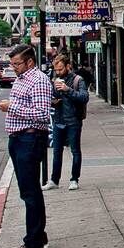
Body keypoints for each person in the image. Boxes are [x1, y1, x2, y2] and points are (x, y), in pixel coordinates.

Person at [0, 44, 53, 248]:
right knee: (27, 191)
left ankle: (34, 245)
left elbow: (41, 114)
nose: (13, 68)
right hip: (18, 138)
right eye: (12, 64)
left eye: (17, 64)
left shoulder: (38, 80)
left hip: (30, 139)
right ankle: (36, 237)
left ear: (30, 62)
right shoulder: (21, 80)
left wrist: (11, 107)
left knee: (30, 193)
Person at [42, 52, 88, 192]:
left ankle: (74, 179)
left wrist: (68, 90)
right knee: (57, 152)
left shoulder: (78, 80)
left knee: (75, 151)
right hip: (58, 120)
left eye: (61, 69)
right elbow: (53, 98)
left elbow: (84, 97)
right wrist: (53, 100)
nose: (58, 72)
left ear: (68, 66)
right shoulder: (55, 79)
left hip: (73, 120)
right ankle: (54, 180)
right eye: (56, 69)